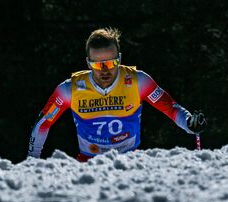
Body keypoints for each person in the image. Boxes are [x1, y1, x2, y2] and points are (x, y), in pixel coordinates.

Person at [27, 27, 207, 161]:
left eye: (111, 63)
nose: (105, 71)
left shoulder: (138, 81)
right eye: (98, 65)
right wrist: (32, 160)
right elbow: (43, 123)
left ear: (119, 59)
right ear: (88, 63)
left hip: (130, 161)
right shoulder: (70, 90)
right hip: (88, 163)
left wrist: (190, 122)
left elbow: (171, 108)